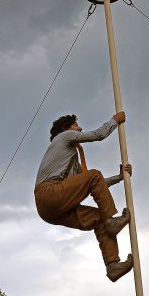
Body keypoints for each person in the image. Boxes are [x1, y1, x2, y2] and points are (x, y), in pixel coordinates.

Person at [34, 111, 134, 282]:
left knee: (98, 219)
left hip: (50, 209)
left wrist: (119, 177)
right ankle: (111, 221)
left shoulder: (69, 160)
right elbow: (98, 135)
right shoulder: (65, 137)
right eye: (76, 125)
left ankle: (112, 265)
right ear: (66, 128)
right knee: (94, 176)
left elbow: (94, 183)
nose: (79, 128)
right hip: (48, 194)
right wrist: (114, 121)